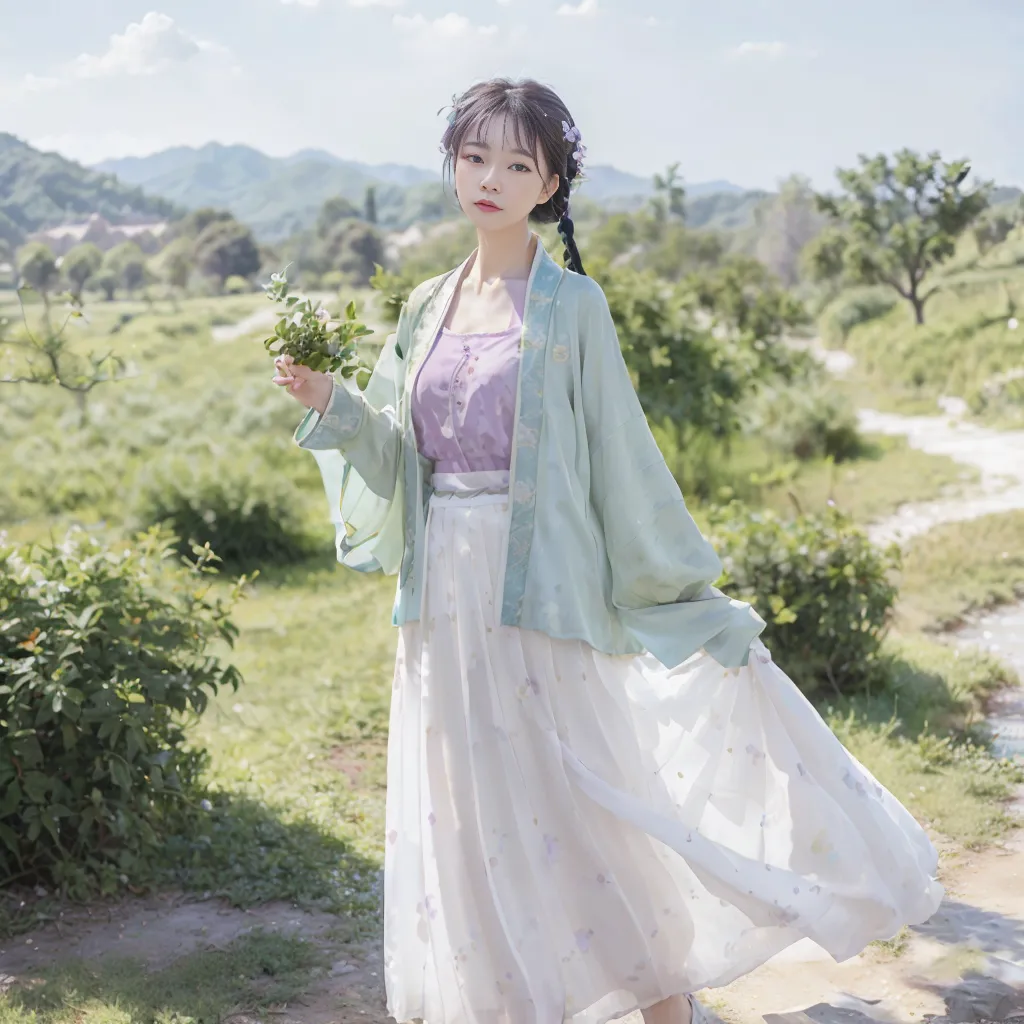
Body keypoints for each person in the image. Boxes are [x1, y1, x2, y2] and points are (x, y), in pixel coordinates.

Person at [272, 77, 943, 1024]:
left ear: (549, 184)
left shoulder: (571, 307)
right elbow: (401, 459)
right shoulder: (424, 307)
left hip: (538, 597)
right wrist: (332, 406)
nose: (492, 178)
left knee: (577, 803)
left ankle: (665, 1007)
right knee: (468, 818)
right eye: (476, 158)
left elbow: (625, 463)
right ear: (453, 168)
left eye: (517, 163)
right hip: (442, 608)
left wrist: (690, 598)